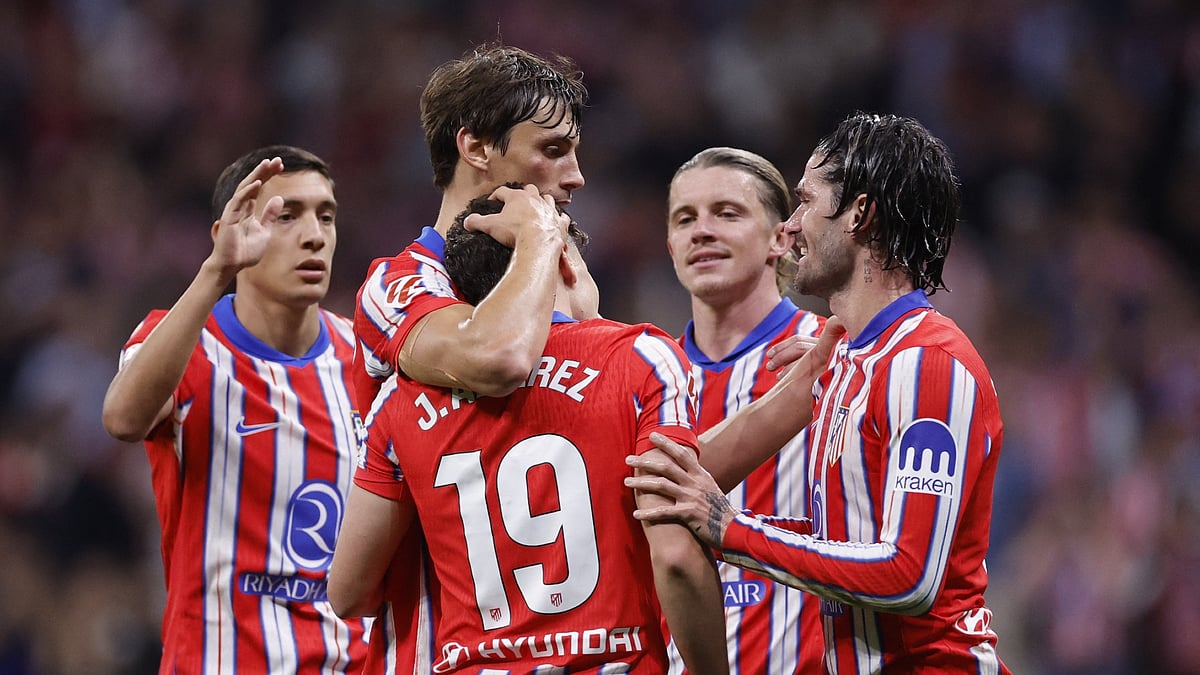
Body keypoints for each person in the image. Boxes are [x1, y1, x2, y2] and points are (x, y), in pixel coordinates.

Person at [627, 113, 1011, 673]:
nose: (794, 225)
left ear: (859, 213)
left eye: (806, 202)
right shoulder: (845, 365)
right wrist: (721, 525)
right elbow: (844, 539)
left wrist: (731, 528)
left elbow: (909, 577)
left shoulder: (928, 362)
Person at [329, 194, 729, 674]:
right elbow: (677, 559)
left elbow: (349, 593)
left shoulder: (399, 402)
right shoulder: (641, 359)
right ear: (561, 260)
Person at [348, 42, 590, 671]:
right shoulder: (400, 286)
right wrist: (552, 272)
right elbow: (497, 358)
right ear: (477, 148)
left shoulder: (557, 275)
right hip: (443, 650)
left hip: (568, 640)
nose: (575, 177)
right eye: (553, 150)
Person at [100, 146, 368, 673]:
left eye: (326, 215)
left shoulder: (368, 360)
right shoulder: (182, 343)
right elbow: (123, 420)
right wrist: (215, 271)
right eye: (286, 216)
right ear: (231, 230)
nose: (314, 235)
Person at [664, 147, 825, 674]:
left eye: (727, 213)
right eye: (684, 219)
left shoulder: (833, 358)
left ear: (781, 238)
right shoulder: (646, 378)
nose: (701, 231)